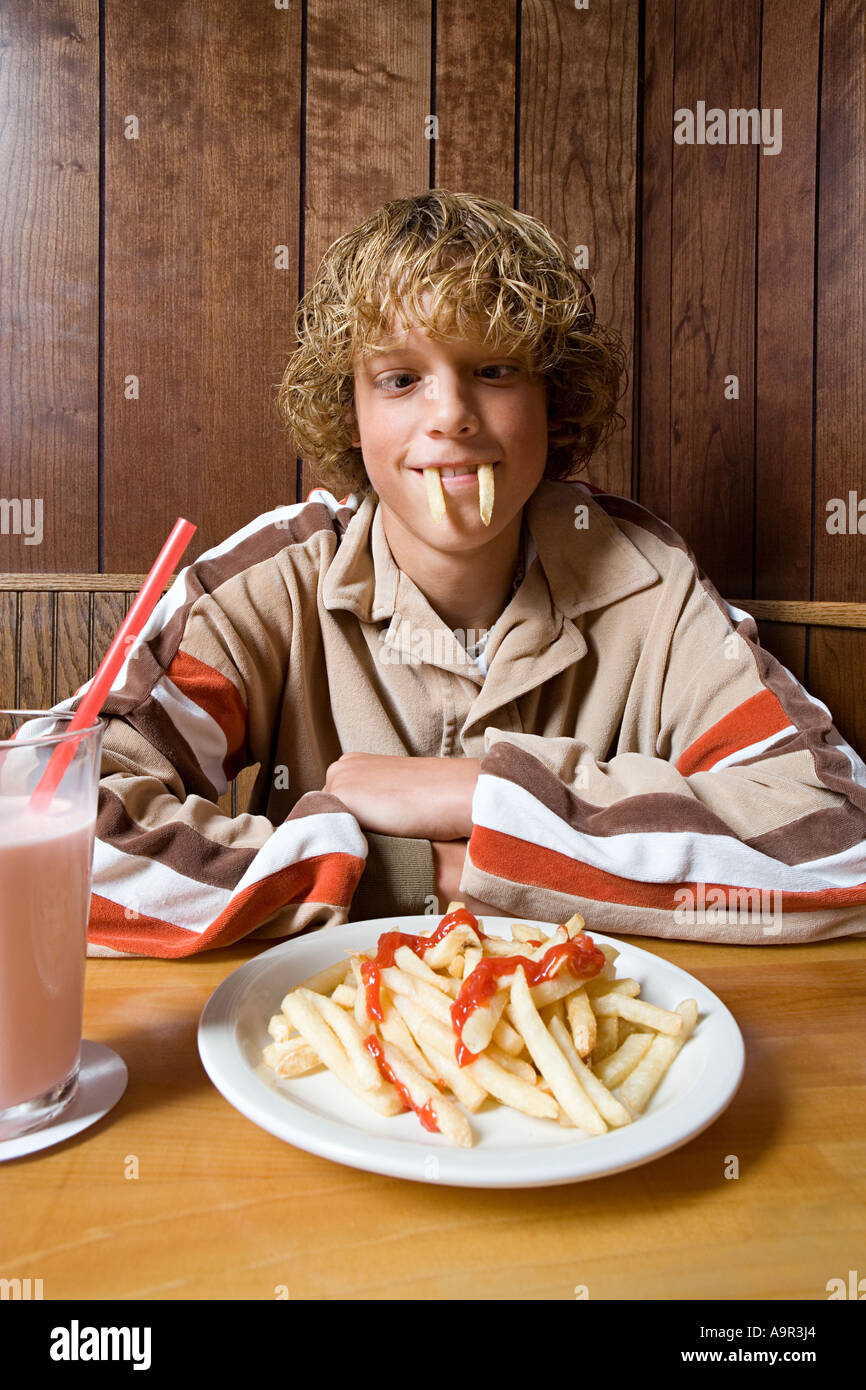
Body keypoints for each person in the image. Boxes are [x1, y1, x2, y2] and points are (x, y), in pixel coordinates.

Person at [54, 190, 866, 957]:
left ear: (554, 401)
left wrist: (478, 793)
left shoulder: (647, 583)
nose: (449, 414)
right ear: (352, 413)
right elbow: (45, 825)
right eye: (400, 379)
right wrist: (410, 876)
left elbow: (839, 848)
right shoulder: (270, 583)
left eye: (496, 369)